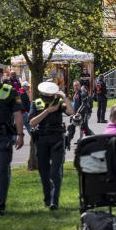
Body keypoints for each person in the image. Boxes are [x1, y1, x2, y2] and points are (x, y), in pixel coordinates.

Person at [29, 81, 73, 210]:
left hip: (57, 139)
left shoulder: (59, 103)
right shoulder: (36, 103)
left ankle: (54, 201)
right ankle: (47, 199)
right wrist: (47, 111)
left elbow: (71, 112)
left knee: (55, 171)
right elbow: (32, 122)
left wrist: (64, 96)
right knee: (44, 171)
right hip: (42, 139)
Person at [0, 79, 24, 216]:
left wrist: (20, 135)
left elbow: (18, 114)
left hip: (3, 137)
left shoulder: (10, 91)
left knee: (2, 171)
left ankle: (0, 206)